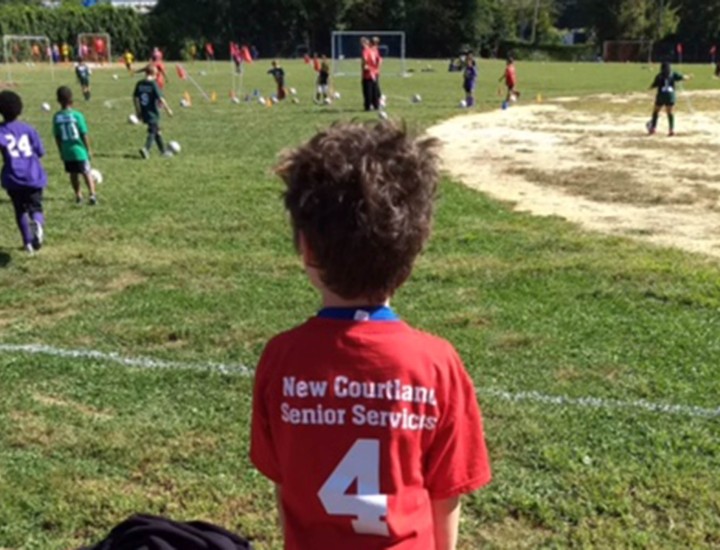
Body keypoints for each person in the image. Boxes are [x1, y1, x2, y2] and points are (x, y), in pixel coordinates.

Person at [250, 121, 491, 550]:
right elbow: (445, 493)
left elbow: (285, 482)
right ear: (414, 250)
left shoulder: (281, 358)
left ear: (305, 248)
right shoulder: (436, 364)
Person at [0, 90, 48, 255]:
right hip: (33, 175)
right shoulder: (28, 129)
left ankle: (27, 243)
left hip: (13, 177)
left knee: (19, 210)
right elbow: (40, 152)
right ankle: (37, 224)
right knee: (36, 207)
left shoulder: (1, 130)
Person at [53, 86, 97, 205]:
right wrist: (88, 149)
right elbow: (84, 134)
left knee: (73, 174)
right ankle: (92, 194)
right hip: (79, 150)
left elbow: (57, 136)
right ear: (72, 101)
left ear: (58, 100)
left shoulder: (57, 117)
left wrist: (61, 151)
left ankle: (78, 195)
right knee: (86, 172)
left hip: (67, 151)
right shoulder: (77, 115)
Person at [133, 65, 174, 159]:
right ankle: (146, 149)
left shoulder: (139, 83)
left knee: (157, 130)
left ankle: (163, 151)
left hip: (143, 111)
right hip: (152, 112)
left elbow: (135, 98)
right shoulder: (153, 84)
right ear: (154, 74)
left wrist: (138, 111)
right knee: (153, 131)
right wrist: (168, 110)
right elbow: (161, 99)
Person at [647, 61, 692, 136]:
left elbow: (654, 85)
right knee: (670, 113)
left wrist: (649, 88)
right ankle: (671, 130)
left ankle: (653, 128)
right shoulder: (673, 74)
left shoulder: (659, 76)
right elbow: (683, 77)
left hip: (661, 96)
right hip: (670, 96)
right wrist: (689, 77)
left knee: (656, 111)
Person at [360, 37, 375, 111]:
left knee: (367, 90)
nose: (361, 44)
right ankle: (375, 105)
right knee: (373, 90)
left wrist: (365, 66)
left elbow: (365, 60)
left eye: (362, 42)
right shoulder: (371, 50)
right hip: (373, 72)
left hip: (367, 73)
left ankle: (368, 106)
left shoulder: (365, 51)